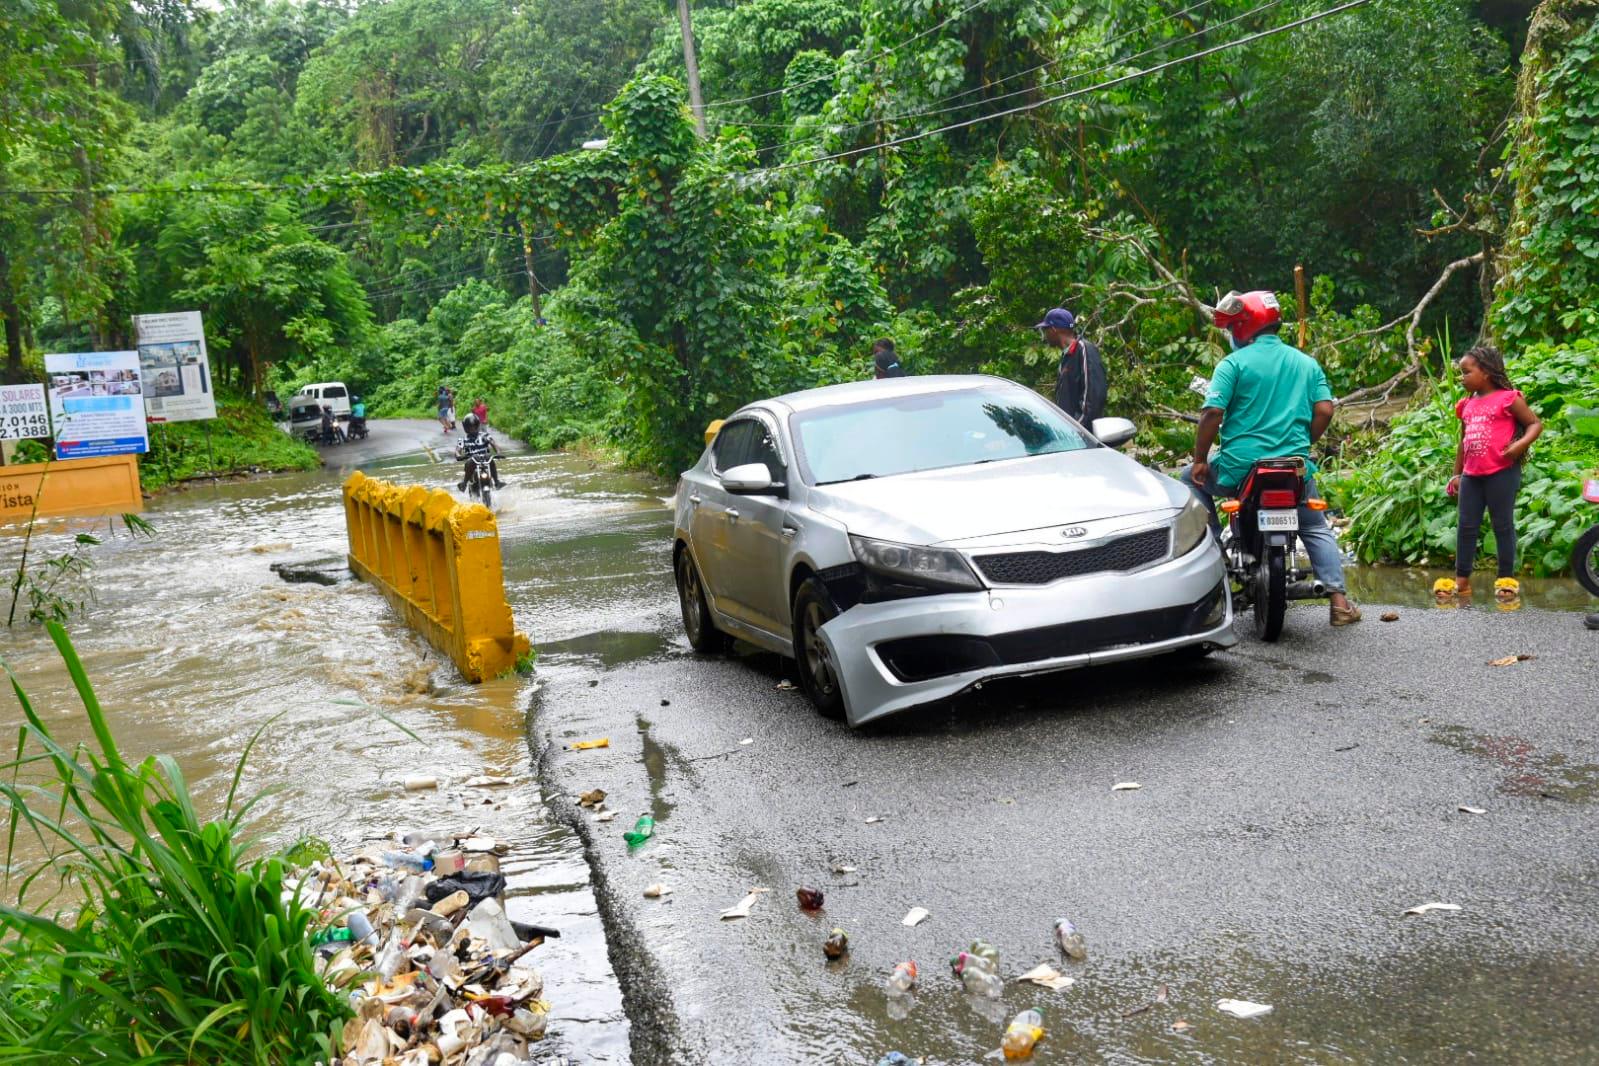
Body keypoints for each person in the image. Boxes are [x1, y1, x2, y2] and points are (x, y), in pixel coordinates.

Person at [1182, 289, 1361, 627]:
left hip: (1239, 467)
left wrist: (1201, 459)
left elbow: (1211, 414)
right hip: (1293, 467)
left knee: (1185, 480)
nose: (1233, 334)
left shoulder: (1232, 364)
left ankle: (1216, 554)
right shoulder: (1306, 363)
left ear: (1246, 326)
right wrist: (1304, 441)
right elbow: (1324, 409)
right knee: (1314, 525)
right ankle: (1339, 602)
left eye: (1235, 327)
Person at [1433, 345, 1543, 605]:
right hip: (1472, 475)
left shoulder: (1508, 398)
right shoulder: (1467, 404)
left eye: (1466, 372)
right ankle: (1462, 579)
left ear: (1486, 372)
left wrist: (1517, 446)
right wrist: (1455, 474)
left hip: (1502, 472)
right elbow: (1463, 441)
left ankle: (1506, 580)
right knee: (1466, 526)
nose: (1462, 378)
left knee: (1502, 525)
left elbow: (1535, 424)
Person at [1034, 308, 1106, 426]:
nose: (1044, 334)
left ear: (1054, 329)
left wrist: (1077, 430)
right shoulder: (1067, 356)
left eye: (1045, 329)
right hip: (1068, 435)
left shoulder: (1084, 349)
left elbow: (1093, 397)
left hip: (1081, 437)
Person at [455, 412, 505, 492]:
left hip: (485, 462)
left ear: (477, 425)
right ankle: (464, 483)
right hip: (472, 463)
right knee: (472, 459)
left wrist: (498, 452)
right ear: (466, 428)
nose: (472, 429)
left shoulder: (486, 435)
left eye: (474, 426)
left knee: (490, 457)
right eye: (470, 427)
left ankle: (496, 482)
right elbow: (458, 450)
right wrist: (458, 456)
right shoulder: (462, 439)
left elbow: (494, 445)